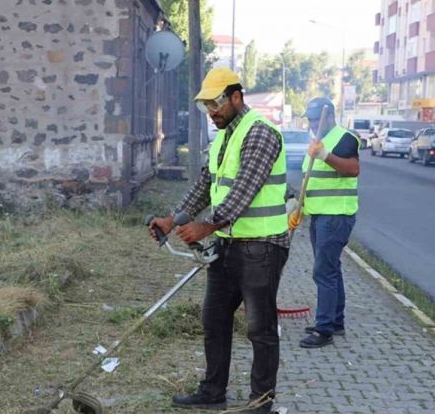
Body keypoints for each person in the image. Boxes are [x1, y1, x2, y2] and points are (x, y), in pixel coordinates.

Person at [148, 67, 289, 414]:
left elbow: (244, 190)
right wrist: (172, 219)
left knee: (260, 328)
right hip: (228, 246)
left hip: (263, 246)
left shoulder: (261, 133)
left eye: (217, 103)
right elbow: (203, 187)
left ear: (236, 97)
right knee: (214, 319)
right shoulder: (224, 137)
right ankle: (213, 392)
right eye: (206, 106)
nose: (212, 111)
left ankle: (260, 402)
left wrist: (206, 226)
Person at [288, 97, 360, 349]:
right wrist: (299, 208)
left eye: (318, 119)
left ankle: (324, 329)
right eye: (310, 119)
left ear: (330, 117)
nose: (313, 123)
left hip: (336, 216)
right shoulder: (317, 141)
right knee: (332, 269)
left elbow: (352, 169)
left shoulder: (344, 138)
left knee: (323, 271)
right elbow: (313, 181)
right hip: (320, 215)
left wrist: (326, 155)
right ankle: (335, 322)